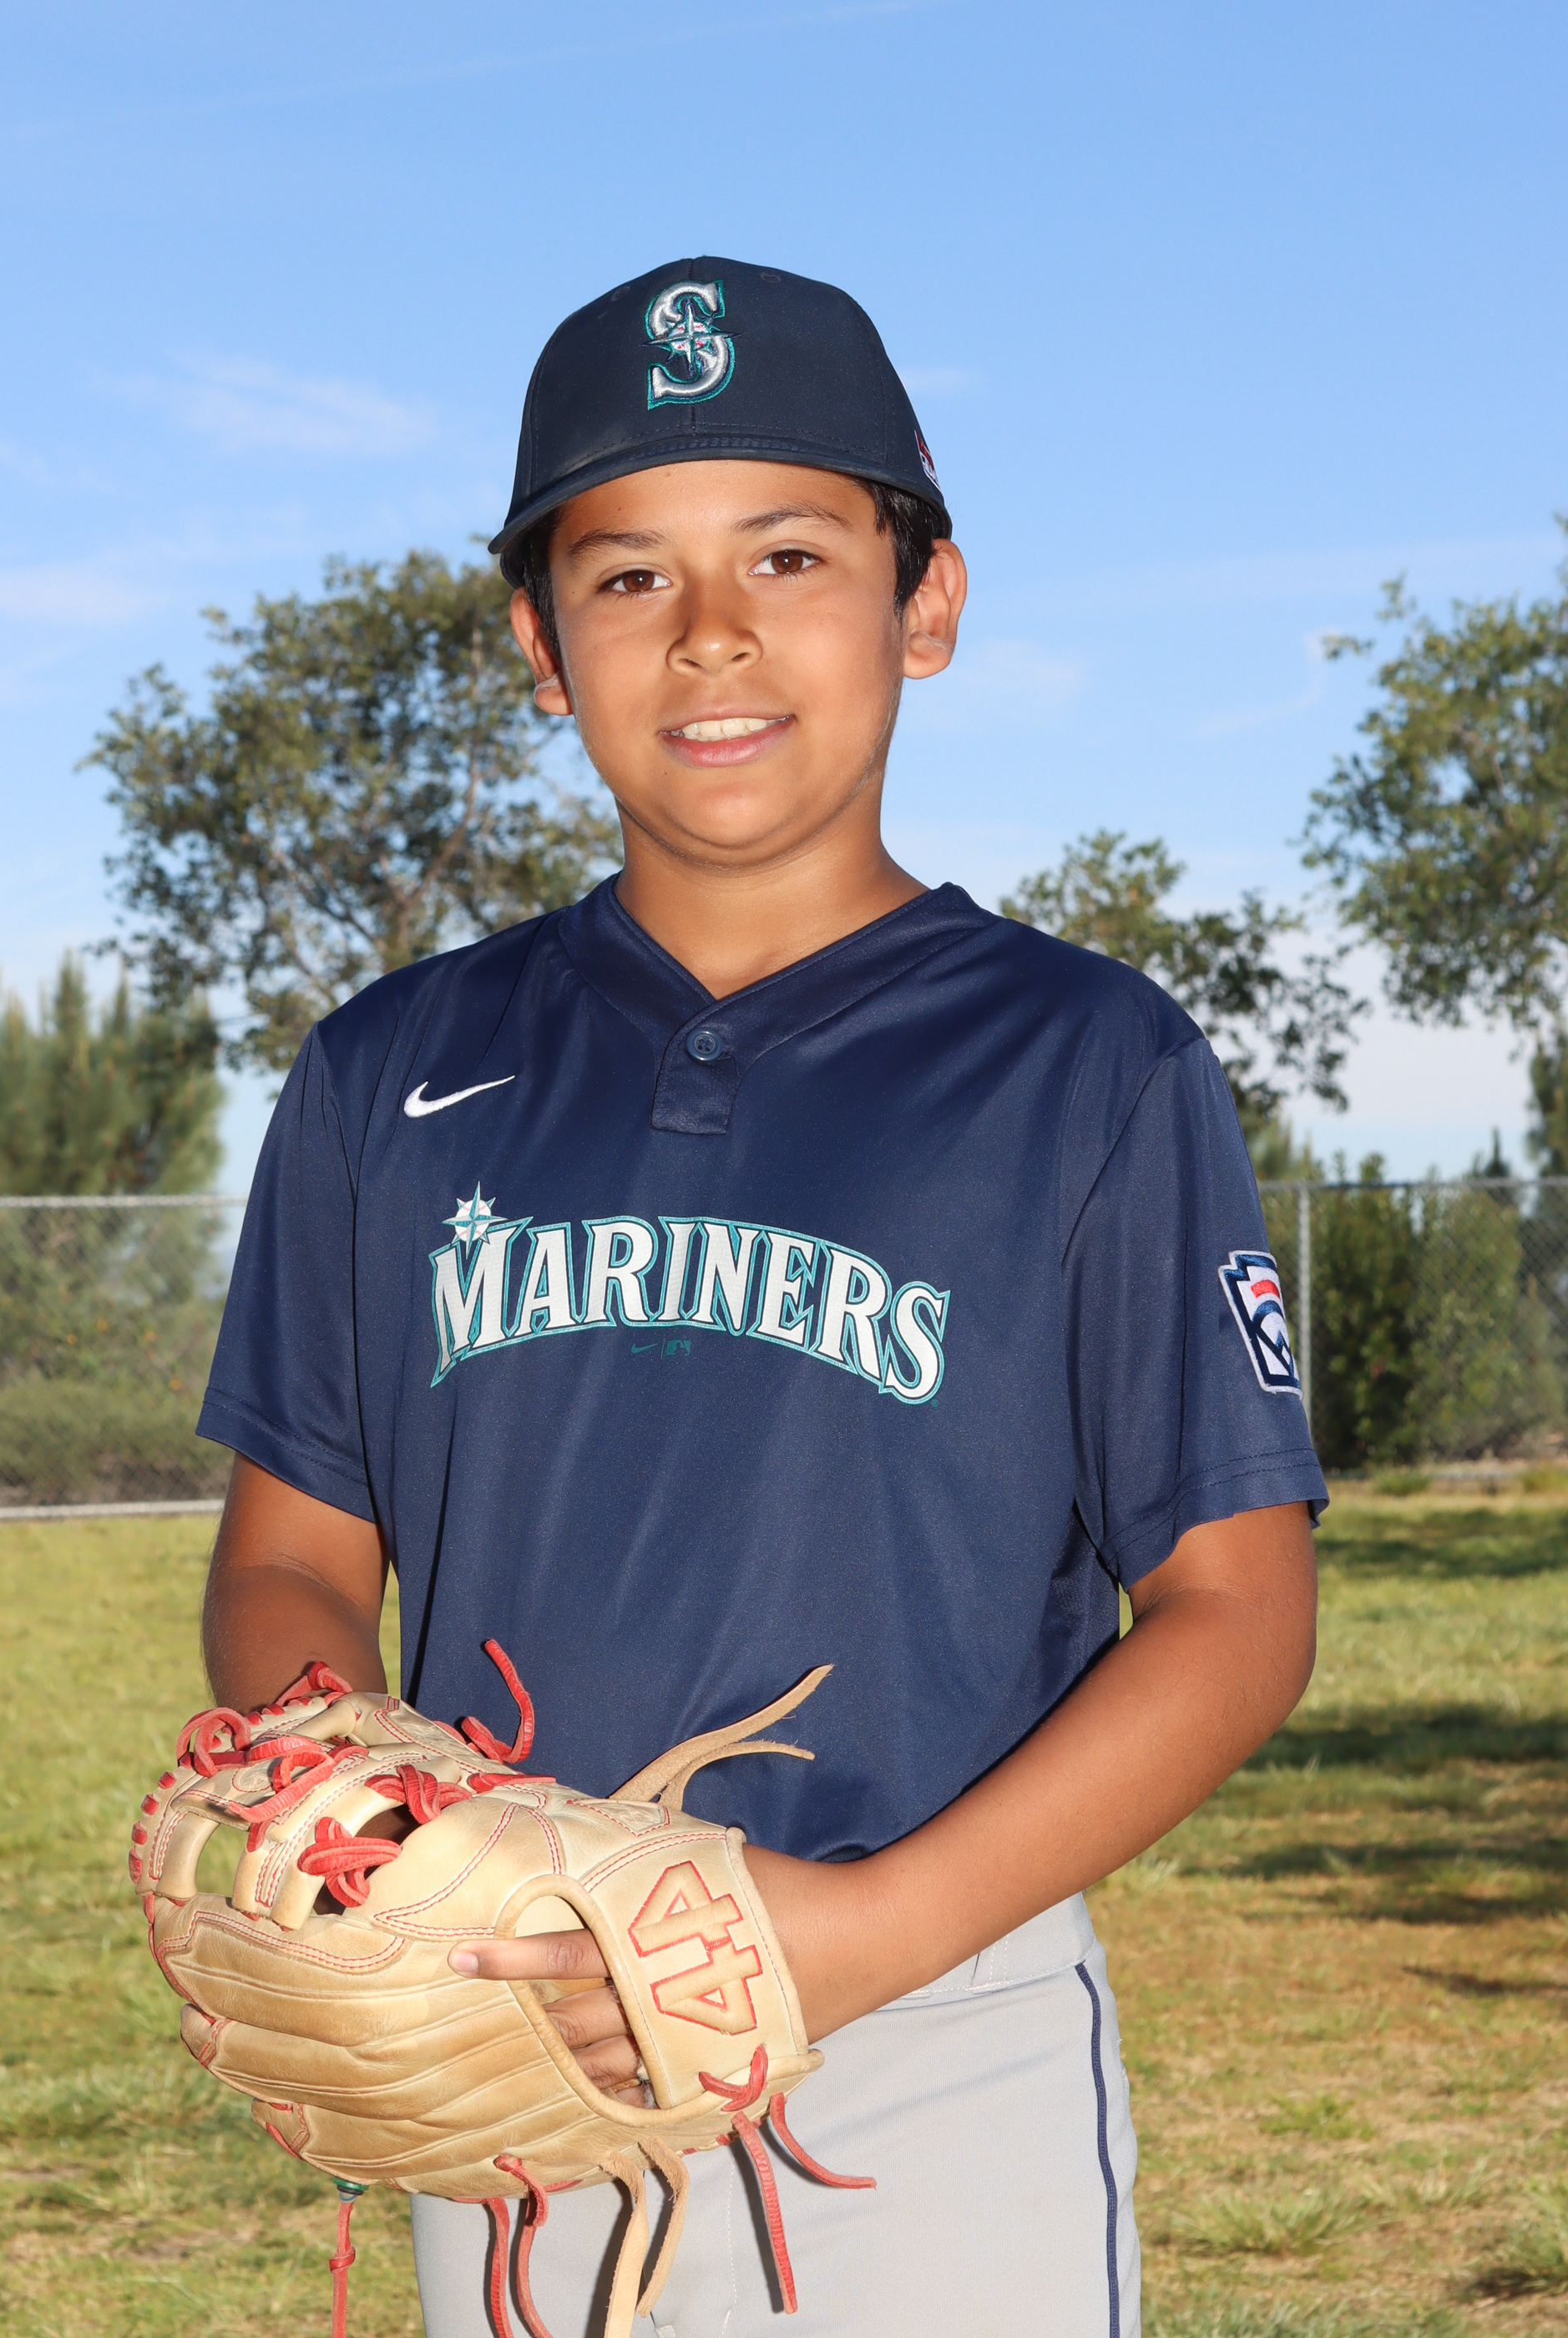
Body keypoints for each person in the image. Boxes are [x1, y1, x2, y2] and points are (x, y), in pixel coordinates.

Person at [197, 257, 1325, 2338]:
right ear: (540, 645)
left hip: (933, 2018)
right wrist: (391, 1832)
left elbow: (1237, 1607)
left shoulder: (1087, 1061)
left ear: (926, 600)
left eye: (788, 555)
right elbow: (290, 1557)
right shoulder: (389, 1070)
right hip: (518, 2021)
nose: (710, 631)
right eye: (628, 575)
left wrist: (860, 1932)